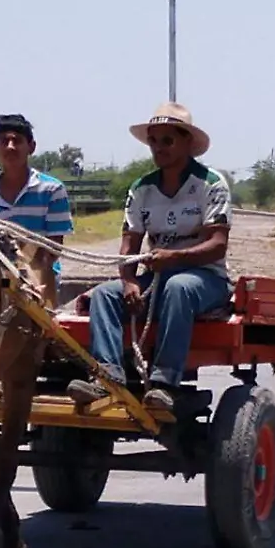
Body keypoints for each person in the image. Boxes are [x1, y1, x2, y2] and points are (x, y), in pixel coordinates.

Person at [66, 102, 234, 410]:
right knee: (104, 295)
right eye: (153, 141)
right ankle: (107, 377)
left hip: (206, 278)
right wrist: (129, 282)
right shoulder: (141, 189)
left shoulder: (211, 184)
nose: (158, 148)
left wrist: (174, 257)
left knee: (179, 287)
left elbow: (218, 244)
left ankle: (164, 382)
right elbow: (129, 247)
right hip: (157, 276)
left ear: (187, 143)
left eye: (167, 140)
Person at [0, 114, 73, 308]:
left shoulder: (51, 190)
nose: (10, 147)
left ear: (31, 147)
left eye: (17, 141)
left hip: (39, 281)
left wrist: (28, 281)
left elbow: (53, 248)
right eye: (4, 141)